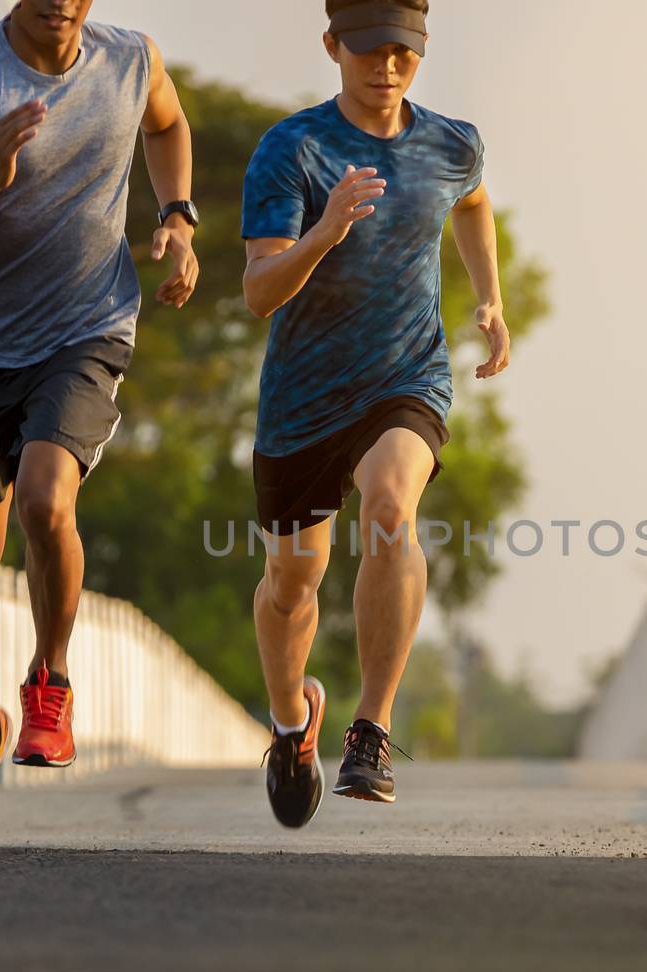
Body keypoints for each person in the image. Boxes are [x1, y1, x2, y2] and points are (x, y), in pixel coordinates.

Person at [0, 0, 200, 846]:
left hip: (86, 330)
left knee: (45, 498)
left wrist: (177, 214)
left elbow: (168, 127)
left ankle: (49, 679)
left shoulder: (131, 60)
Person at [242, 0, 512, 828]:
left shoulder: (451, 142)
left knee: (392, 509)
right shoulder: (293, 148)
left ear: (420, 51)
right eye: (367, 50)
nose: (384, 67)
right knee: (293, 584)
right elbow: (258, 293)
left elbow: (470, 201)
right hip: (303, 400)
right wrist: (323, 231)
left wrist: (491, 300)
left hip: (407, 379)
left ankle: (371, 728)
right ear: (333, 46)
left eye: (400, 51)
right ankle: (294, 721)